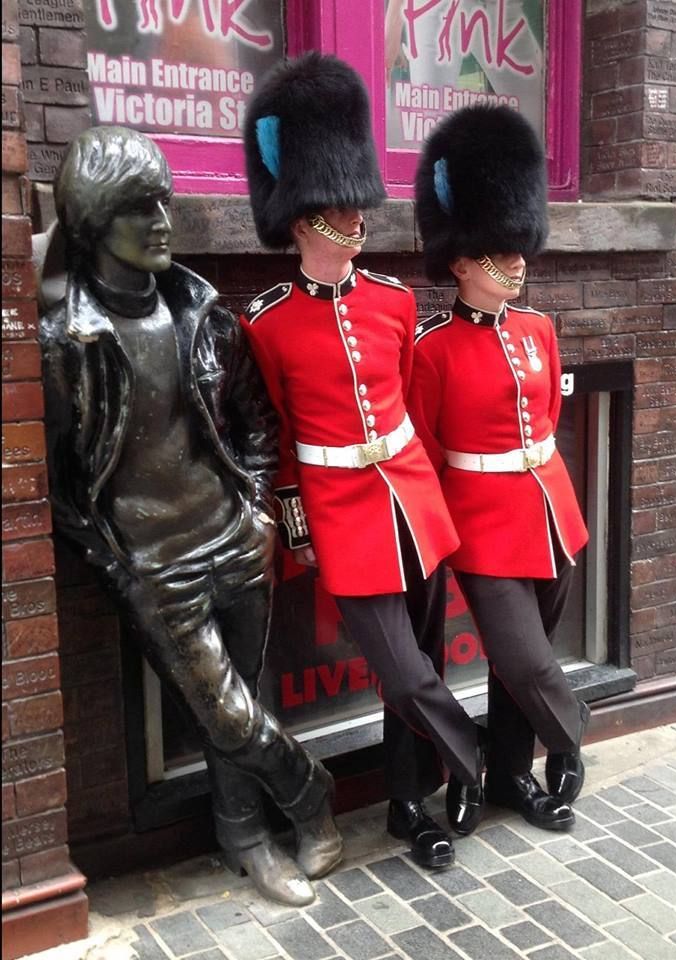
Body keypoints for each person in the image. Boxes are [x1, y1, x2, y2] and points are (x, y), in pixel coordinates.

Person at [39, 126, 342, 906]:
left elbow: (254, 421)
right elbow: (64, 485)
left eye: (165, 200)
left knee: (239, 697)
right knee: (231, 713)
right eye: (140, 208)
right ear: (92, 223)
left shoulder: (203, 313)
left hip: (234, 538)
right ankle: (309, 795)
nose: (163, 220)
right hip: (152, 561)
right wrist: (116, 563)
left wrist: (257, 510)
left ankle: (243, 838)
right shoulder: (66, 343)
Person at [241, 52, 486, 870]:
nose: (356, 218)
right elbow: (276, 443)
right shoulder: (267, 324)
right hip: (342, 515)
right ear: (304, 219)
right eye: (339, 209)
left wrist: (435, 501)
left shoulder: (393, 302)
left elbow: (415, 409)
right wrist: (297, 530)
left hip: (412, 503)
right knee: (408, 672)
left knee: (405, 678)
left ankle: (409, 807)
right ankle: (472, 760)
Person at [408, 104, 591, 831]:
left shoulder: (540, 330)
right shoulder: (433, 347)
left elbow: (546, 424)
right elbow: (421, 447)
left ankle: (512, 775)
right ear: (460, 261)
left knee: (519, 669)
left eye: (520, 248)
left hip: (551, 513)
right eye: (498, 252)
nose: (517, 262)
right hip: (481, 527)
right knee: (530, 661)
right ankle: (572, 738)